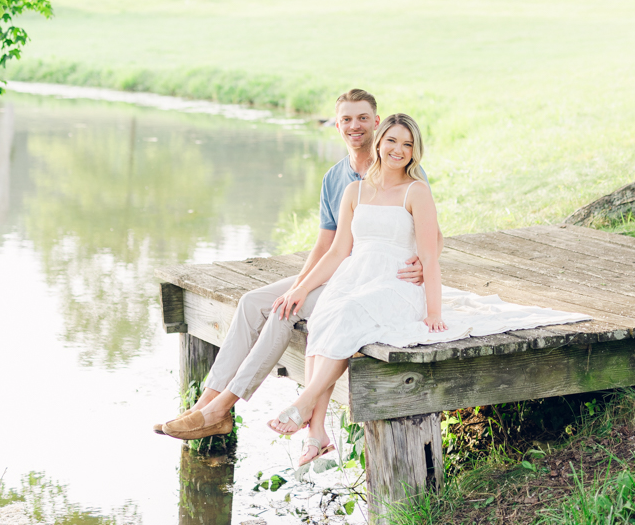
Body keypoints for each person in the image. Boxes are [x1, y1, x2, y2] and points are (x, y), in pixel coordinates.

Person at [157, 90, 443, 446]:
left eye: (363, 118)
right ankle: (205, 405)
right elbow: (327, 246)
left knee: (283, 312)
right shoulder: (338, 180)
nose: (355, 126)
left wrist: (419, 263)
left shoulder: (405, 170)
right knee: (252, 302)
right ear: (337, 125)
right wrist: (301, 286)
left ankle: (221, 410)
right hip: (342, 269)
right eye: (347, 119)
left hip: (372, 276)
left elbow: (432, 237)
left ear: (376, 123)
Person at [267, 113, 445, 461]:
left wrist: (434, 310)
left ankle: (304, 403)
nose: (399, 149)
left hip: (396, 285)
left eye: (407, 144)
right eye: (392, 140)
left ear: (414, 151)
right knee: (324, 315)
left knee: (347, 313)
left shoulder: (416, 191)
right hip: (356, 275)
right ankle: (316, 435)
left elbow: (430, 254)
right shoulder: (355, 190)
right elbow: (337, 252)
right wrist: (303, 287)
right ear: (378, 142)